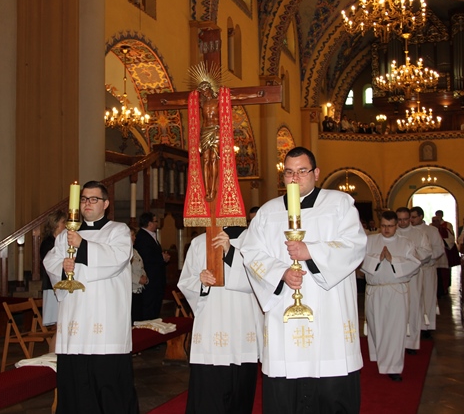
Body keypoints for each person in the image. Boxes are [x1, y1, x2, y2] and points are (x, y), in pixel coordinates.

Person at [240, 147, 367, 413]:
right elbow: (250, 252)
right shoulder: (268, 212)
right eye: (289, 172)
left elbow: (354, 245)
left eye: (302, 171)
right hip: (284, 311)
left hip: (329, 314)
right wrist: (280, 272)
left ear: (316, 173)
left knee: (331, 388)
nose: (295, 178)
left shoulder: (338, 204)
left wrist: (311, 252)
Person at [43, 181, 138, 413]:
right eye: (84, 199)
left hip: (106, 324)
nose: (87, 203)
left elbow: (116, 260)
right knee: (76, 385)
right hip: (75, 321)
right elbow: (51, 262)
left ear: (105, 204)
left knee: (108, 384)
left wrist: (82, 245)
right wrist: (64, 269)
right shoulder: (66, 235)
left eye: (94, 199)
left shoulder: (118, 231)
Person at [178, 227, 263, 413]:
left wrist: (230, 252)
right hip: (210, 329)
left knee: (239, 399)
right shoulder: (199, 242)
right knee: (208, 400)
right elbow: (186, 282)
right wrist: (200, 281)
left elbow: (259, 279)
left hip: (242, 327)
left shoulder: (252, 238)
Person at [361, 211, 420, 382]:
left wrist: (393, 260)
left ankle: (393, 366)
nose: (386, 229)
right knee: (376, 326)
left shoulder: (406, 243)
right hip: (375, 290)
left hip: (396, 291)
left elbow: (415, 264)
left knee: (395, 329)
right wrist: (377, 259)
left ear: (396, 226)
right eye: (384, 226)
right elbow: (358, 260)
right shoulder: (370, 241)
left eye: (390, 226)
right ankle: (381, 357)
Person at [395, 207, 431, 355]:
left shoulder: (419, 234)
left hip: (413, 276)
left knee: (413, 306)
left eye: (405, 219)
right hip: (395, 277)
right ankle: (397, 341)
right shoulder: (392, 233)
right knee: (397, 309)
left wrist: (411, 253)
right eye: (399, 219)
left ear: (410, 218)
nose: (402, 222)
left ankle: (411, 342)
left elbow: (427, 253)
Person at [410, 207, 446, 339]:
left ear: (421, 216)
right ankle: (413, 324)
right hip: (413, 271)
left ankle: (427, 326)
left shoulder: (432, 231)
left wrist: (427, 257)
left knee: (428, 298)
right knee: (414, 298)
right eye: (410, 217)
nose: (411, 220)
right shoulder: (408, 231)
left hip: (427, 269)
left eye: (414, 217)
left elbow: (439, 248)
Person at [39, 210, 67, 350]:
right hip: (53, 287)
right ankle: (52, 355)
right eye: (63, 222)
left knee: (62, 325)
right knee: (59, 326)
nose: (66, 225)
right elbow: (50, 265)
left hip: (62, 286)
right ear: (55, 224)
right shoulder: (48, 243)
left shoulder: (62, 241)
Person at [134, 211, 170, 320]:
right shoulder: (142, 237)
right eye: (155, 221)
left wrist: (162, 257)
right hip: (150, 278)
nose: (157, 223)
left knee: (155, 307)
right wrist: (162, 258)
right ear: (149, 223)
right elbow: (146, 257)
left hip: (156, 279)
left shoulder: (149, 235)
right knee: (149, 308)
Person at [129, 226, 148, 323]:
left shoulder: (135, 251)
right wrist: (138, 279)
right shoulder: (125, 252)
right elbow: (126, 271)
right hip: (131, 290)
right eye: (132, 235)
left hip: (139, 290)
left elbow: (141, 266)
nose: (135, 237)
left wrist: (145, 277)